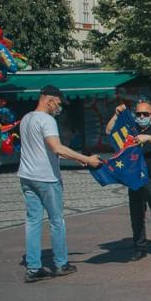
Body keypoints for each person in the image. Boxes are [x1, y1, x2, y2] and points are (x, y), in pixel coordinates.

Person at [19, 85, 102, 283]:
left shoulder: (26, 118)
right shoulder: (46, 120)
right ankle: (61, 263)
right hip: (46, 178)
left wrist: (75, 158)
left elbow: (43, 148)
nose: (59, 107)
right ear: (49, 99)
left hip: (27, 175)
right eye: (58, 103)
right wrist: (87, 159)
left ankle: (33, 268)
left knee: (32, 221)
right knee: (57, 221)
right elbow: (57, 148)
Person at [105, 101, 151, 261]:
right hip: (134, 178)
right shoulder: (129, 128)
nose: (141, 117)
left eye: (145, 114)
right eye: (139, 114)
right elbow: (109, 131)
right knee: (136, 215)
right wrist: (117, 114)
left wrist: (147, 137)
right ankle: (139, 247)